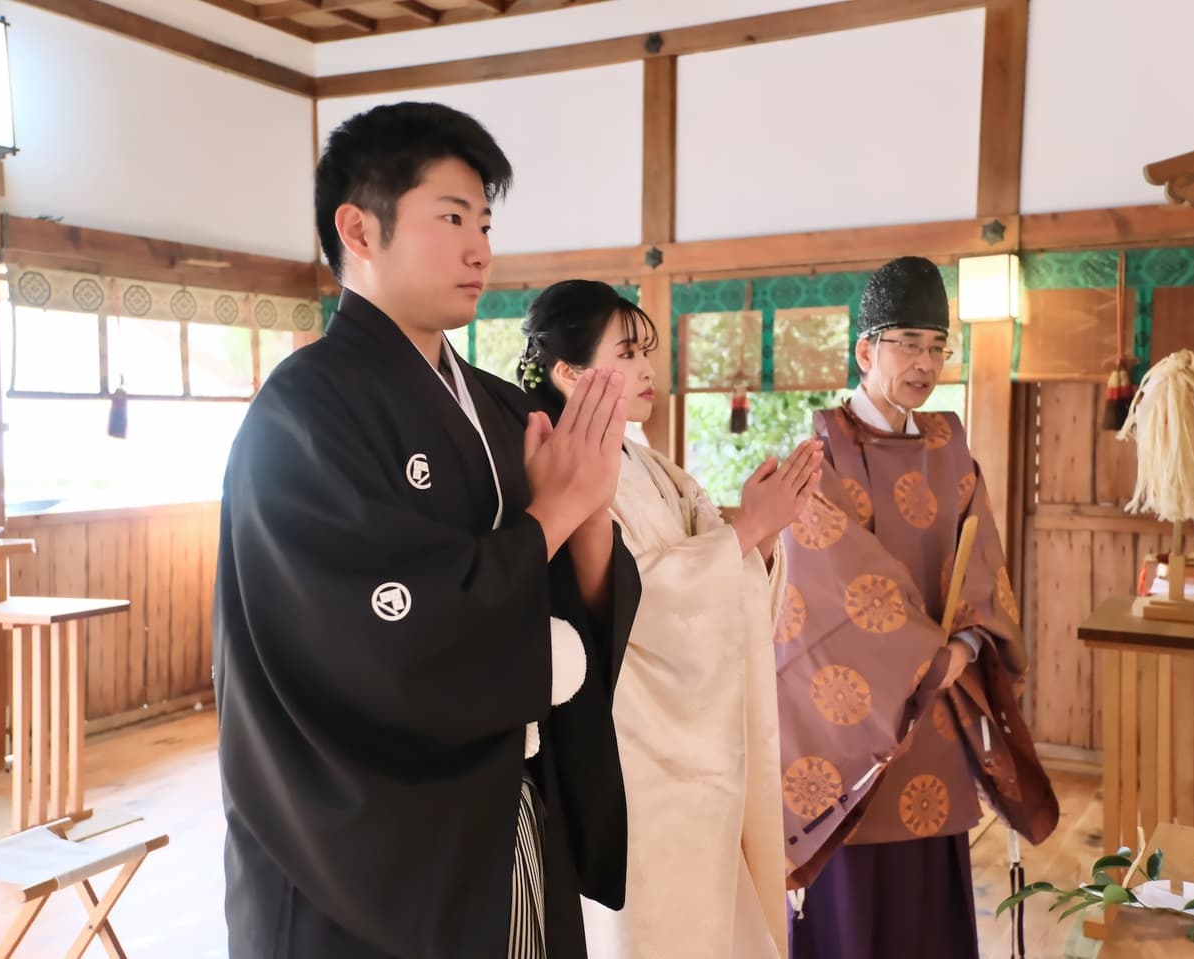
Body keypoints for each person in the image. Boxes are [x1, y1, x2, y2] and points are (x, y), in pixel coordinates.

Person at [214, 102, 641, 959]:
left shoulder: (500, 405)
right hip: (370, 854)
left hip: (511, 804)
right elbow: (375, 635)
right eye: (451, 218)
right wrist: (554, 514)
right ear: (358, 229)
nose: (480, 249)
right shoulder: (302, 414)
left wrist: (590, 512)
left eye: (484, 223)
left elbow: (570, 606)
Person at [518, 279, 822, 959]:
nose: (648, 369)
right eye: (626, 353)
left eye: (647, 353)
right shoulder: (556, 465)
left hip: (696, 734)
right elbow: (628, 600)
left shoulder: (650, 463)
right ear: (570, 374)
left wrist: (762, 534)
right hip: (631, 739)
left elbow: (716, 567)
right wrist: (749, 529)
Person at [776, 256, 1058, 958]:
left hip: (940, 703)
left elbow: (981, 557)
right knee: (853, 890)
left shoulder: (949, 445)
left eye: (937, 346)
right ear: (865, 351)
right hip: (854, 721)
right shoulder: (820, 455)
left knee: (928, 892)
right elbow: (832, 583)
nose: (925, 363)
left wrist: (967, 645)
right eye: (908, 343)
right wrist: (928, 656)